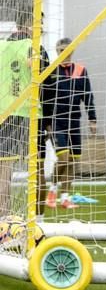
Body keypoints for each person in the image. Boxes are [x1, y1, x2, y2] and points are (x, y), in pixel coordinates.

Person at [0, 11, 51, 217]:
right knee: (33, 166)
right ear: (29, 25)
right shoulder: (32, 44)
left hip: (4, 112)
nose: (43, 28)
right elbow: (36, 67)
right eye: (40, 24)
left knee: (5, 168)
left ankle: (6, 219)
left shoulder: (3, 46)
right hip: (23, 113)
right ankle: (20, 221)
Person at [42, 37, 97, 209]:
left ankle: (65, 198)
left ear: (72, 50)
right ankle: (52, 191)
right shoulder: (50, 71)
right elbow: (45, 100)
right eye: (61, 50)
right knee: (64, 160)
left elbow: (88, 96)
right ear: (57, 51)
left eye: (67, 50)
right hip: (57, 122)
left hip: (74, 122)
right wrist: (46, 125)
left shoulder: (81, 70)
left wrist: (92, 119)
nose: (64, 53)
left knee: (73, 161)